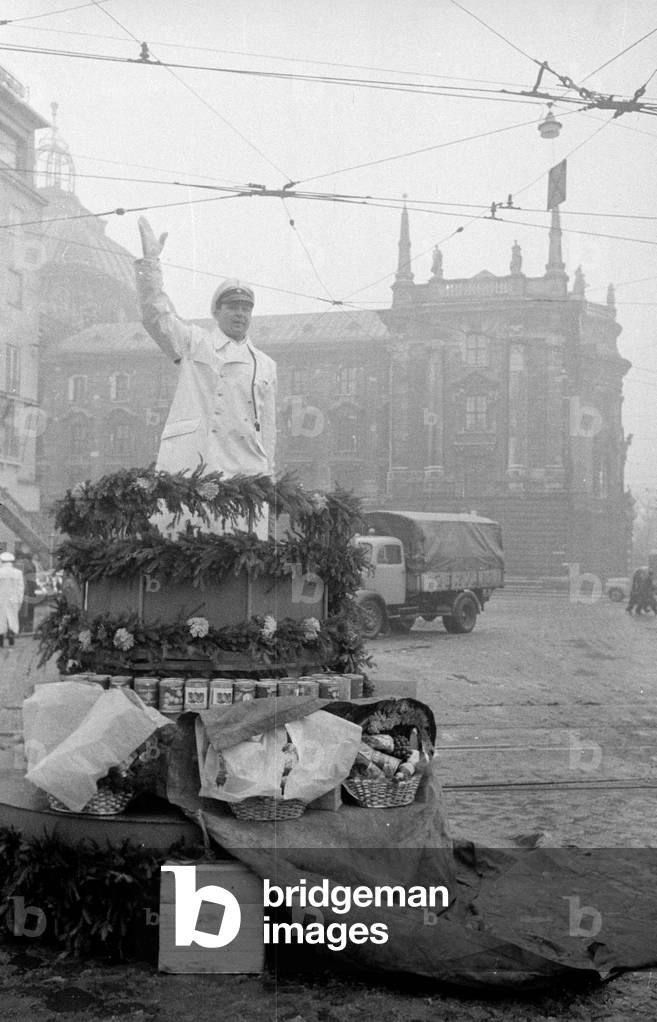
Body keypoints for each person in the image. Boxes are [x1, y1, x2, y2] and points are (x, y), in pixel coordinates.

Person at [134, 217, 276, 538]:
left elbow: (268, 430)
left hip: (243, 469)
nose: (241, 314)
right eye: (233, 307)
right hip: (192, 459)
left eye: (246, 308)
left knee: (240, 546)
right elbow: (156, 315)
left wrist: (271, 482)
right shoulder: (195, 342)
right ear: (217, 311)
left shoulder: (265, 365)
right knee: (179, 537)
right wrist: (150, 265)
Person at [0, 551, 24, 649]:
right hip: (13, 599)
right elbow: (20, 588)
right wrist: (19, 600)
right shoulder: (18, 573)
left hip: (1, 598)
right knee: (12, 617)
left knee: (1, 619)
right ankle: (11, 636)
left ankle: (0, 640)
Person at [14, 545, 37, 633]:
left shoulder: (15, 564)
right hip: (29, 591)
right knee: (29, 610)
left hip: (20, 591)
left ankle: (18, 628)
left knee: (19, 610)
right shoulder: (31, 564)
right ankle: (27, 628)